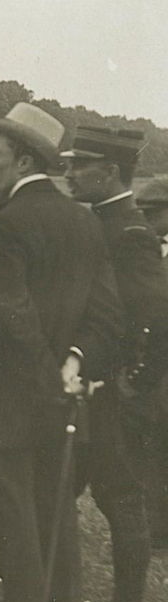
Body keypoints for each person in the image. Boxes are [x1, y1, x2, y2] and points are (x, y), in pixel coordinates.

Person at [0, 104, 122, 602]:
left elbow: (12, 311)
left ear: (23, 160)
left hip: (12, 393)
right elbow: (106, 315)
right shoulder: (86, 221)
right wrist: (75, 363)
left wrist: (47, 370)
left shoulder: (11, 223)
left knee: (13, 517)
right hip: (64, 394)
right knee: (57, 516)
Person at [60, 126, 168, 602]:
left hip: (113, 399)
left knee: (121, 498)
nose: (70, 172)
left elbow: (152, 319)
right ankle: (53, 596)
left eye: (80, 164)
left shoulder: (130, 232)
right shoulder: (97, 222)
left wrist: (136, 385)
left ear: (109, 171)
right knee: (60, 488)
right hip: (86, 390)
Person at [133, 176, 168, 547]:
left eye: (154, 213)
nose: (146, 220)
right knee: (153, 444)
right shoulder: (143, 251)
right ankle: (157, 528)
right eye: (141, 212)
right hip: (154, 365)